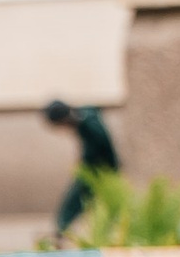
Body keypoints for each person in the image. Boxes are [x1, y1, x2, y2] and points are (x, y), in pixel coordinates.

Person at [42, 96, 121, 241]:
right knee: (92, 203)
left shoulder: (88, 124)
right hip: (99, 170)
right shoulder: (85, 116)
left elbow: (102, 146)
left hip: (99, 171)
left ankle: (61, 231)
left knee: (77, 200)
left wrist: (87, 164)